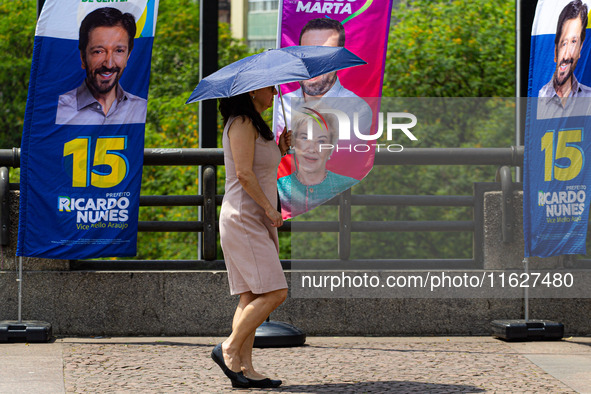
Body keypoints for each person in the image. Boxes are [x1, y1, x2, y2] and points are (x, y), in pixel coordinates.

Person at [212, 86, 292, 389]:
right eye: (268, 87)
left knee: (251, 295)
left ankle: (243, 367)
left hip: (254, 217)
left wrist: (280, 149)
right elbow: (244, 174)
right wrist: (271, 209)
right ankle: (229, 348)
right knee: (275, 292)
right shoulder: (242, 123)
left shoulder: (256, 124)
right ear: (251, 91)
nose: (273, 91)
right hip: (244, 217)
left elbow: (258, 167)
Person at [274, 18, 372, 137]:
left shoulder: (356, 110)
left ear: (339, 59)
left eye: (324, 54)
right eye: (305, 52)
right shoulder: (282, 104)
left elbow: (347, 153)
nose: (313, 62)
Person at [55, 7, 147, 125]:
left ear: (128, 55)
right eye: (99, 51)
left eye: (119, 51)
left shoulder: (140, 109)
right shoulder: (59, 109)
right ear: (83, 57)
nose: (109, 64)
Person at [278, 106, 357, 217]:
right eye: (305, 138)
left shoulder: (348, 185)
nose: (312, 149)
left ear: (331, 148)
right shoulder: (278, 187)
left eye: (321, 141)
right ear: (294, 142)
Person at [538, 0, 591, 116]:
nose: (566, 55)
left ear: (580, 48)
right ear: (556, 50)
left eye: (573, 42)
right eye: (564, 43)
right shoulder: (540, 97)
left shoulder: (589, 97)